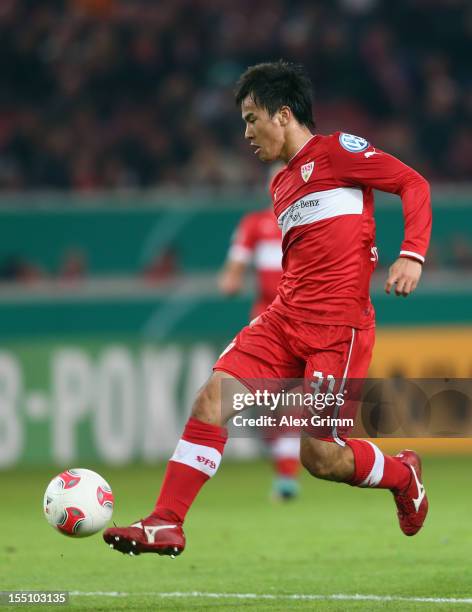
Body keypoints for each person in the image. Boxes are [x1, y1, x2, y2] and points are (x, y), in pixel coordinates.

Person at [104, 60, 431, 557]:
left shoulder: (338, 151)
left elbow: (414, 183)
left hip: (336, 330)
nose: (247, 133)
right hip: (282, 319)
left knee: (320, 457)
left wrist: (411, 253)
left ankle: (403, 474)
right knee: (212, 400)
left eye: (251, 118)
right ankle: (166, 522)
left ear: (282, 114)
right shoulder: (280, 186)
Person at [219, 168, 301, 500]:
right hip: (266, 322)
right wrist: (231, 279)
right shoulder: (255, 224)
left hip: (303, 321)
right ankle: (285, 472)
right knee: (270, 407)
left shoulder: (312, 223)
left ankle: (287, 479)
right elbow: (233, 271)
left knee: (290, 403)